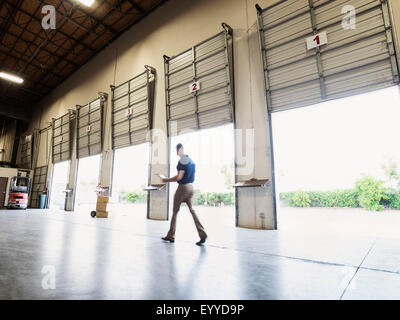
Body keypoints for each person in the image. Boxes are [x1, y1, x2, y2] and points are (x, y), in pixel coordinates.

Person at [161, 143, 207, 246]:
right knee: (192, 210)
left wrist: (166, 179)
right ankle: (202, 234)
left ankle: (171, 236)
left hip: (182, 188)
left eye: (177, 150)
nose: (177, 153)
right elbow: (194, 177)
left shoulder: (182, 160)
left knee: (175, 212)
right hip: (191, 187)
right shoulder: (192, 161)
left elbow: (179, 177)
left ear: (180, 149)